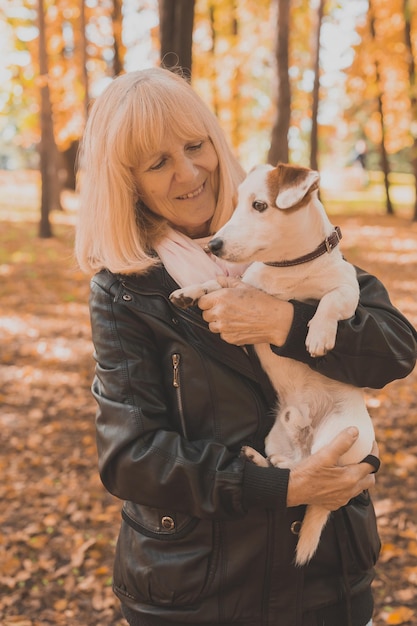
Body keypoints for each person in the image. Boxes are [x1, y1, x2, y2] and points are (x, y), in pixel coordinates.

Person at [75, 67, 417, 626]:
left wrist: (286, 321)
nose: (189, 173)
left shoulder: (280, 232)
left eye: (194, 145)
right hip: (203, 592)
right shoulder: (126, 291)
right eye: (159, 162)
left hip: (325, 582)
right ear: (128, 182)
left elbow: (395, 349)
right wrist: (277, 485)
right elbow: (131, 459)